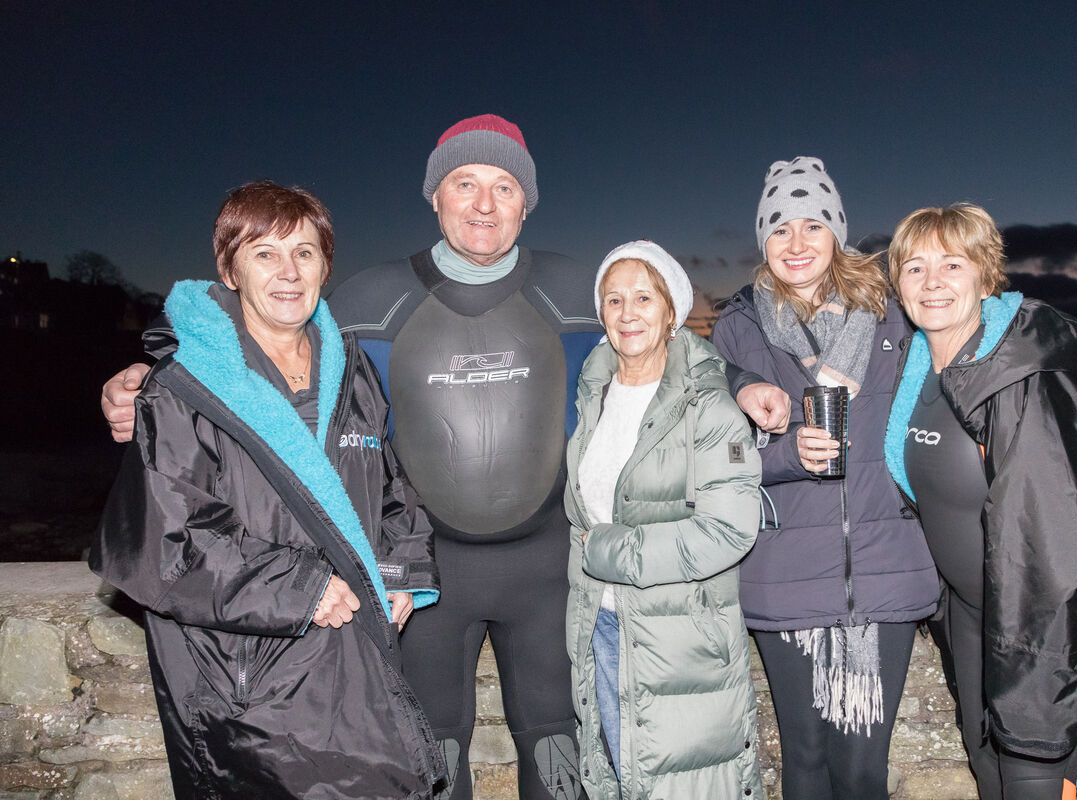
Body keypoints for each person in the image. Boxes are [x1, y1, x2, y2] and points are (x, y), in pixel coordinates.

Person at [101, 114, 599, 800]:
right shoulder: (371, 301)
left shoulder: (583, 292)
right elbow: (248, 343)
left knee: (555, 739)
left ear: (527, 201)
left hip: (537, 569)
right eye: (464, 182)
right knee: (430, 748)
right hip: (429, 584)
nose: (484, 203)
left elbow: (675, 358)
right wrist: (146, 369)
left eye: (504, 186)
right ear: (435, 195)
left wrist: (745, 387)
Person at [90, 181, 446, 798]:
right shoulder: (182, 388)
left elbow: (388, 483)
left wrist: (399, 572)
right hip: (245, 675)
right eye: (265, 253)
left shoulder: (351, 367)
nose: (288, 272)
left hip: (352, 652)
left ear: (325, 266)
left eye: (305, 253)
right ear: (231, 269)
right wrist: (303, 589)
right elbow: (170, 542)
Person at [884, 203, 1077, 799]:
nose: (932, 282)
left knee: (1033, 784)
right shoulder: (920, 370)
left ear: (984, 273)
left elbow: (1074, 546)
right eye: (915, 267)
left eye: (952, 264)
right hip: (970, 622)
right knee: (991, 778)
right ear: (897, 282)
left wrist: (1045, 685)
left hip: (1042, 645)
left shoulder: (1026, 382)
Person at [710, 157, 940, 800]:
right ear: (763, 241)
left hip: (886, 568)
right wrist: (781, 453)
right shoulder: (738, 329)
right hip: (782, 573)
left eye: (813, 225)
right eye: (780, 228)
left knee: (864, 770)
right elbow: (705, 461)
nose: (797, 243)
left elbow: (956, 365)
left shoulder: (894, 315)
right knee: (804, 762)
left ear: (837, 232)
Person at [566, 240, 763, 800]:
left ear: (672, 309)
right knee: (620, 779)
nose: (628, 313)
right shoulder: (592, 395)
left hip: (680, 634)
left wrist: (608, 552)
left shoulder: (709, 405)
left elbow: (728, 531)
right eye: (614, 299)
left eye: (644, 298)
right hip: (602, 623)